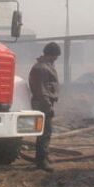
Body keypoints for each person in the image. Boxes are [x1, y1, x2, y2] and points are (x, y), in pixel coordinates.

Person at [28, 42, 61, 172]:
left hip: (44, 102)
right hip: (42, 104)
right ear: (51, 55)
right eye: (56, 56)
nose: (56, 59)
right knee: (44, 133)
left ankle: (43, 157)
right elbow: (42, 91)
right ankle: (41, 161)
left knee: (45, 132)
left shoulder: (45, 66)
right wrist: (48, 107)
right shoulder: (41, 68)